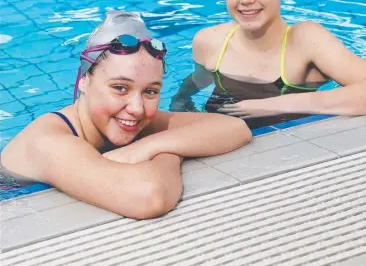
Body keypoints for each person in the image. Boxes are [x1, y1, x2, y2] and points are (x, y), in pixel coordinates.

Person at [1, 11, 251, 219]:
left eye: (150, 91)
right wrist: (171, 151)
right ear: (84, 81)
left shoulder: (129, 121)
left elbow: (234, 128)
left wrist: (145, 148)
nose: (137, 108)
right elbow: (148, 198)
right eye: (120, 88)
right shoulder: (49, 142)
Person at [170, 0, 366, 126]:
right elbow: (198, 79)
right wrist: (179, 101)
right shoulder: (209, 40)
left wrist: (278, 104)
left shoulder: (305, 40)